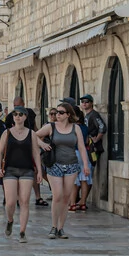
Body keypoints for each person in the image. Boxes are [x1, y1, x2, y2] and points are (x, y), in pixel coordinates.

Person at [37, 101, 91, 239]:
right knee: (58, 196)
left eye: (61, 113)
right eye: (55, 112)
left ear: (68, 114)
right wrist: (42, 144)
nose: (57, 115)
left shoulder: (76, 128)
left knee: (66, 198)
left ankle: (61, 228)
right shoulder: (51, 127)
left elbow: (81, 147)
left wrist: (85, 165)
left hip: (72, 165)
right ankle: (53, 226)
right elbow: (33, 135)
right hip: (55, 165)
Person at [0, 106, 43, 242]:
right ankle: (10, 220)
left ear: (25, 117)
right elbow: (0, 151)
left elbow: (36, 152)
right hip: (10, 169)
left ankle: (22, 232)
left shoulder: (31, 134)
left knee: (24, 201)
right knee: (10, 202)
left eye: (21, 114)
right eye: (15, 114)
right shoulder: (7, 133)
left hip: (27, 170)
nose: (18, 117)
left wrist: (39, 171)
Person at [6, 96, 47, 207]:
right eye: (15, 107)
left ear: (23, 104)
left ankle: (38, 196)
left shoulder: (30, 114)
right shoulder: (10, 117)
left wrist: (40, 140)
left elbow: (34, 128)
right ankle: (17, 198)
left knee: (32, 171)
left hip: (29, 147)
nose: (17, 111)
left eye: (19, 106)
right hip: (15, 150)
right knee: (17, 173)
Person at [78, 94, 107, 210]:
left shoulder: (94, 115)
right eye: (82, 101)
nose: (84, 103)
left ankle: (83, 200)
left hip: (92, 150)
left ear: (91, 103)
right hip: (87, 148)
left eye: (86, 101)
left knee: (88, 174)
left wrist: (96, 139)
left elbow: (102, 127)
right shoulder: (87, 115)